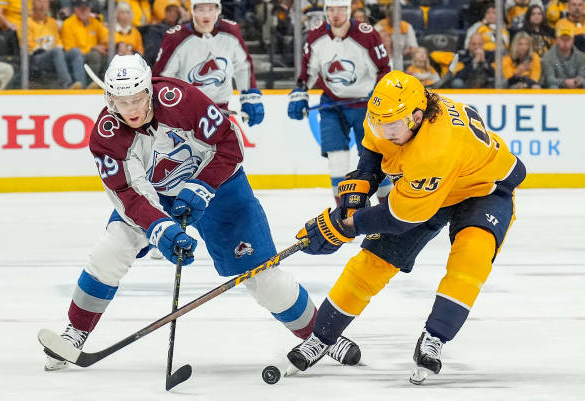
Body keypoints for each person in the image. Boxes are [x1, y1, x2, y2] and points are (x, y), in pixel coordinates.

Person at [43, 54, 361, 371]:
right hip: (156, 196)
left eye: (138, 99)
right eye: (122, 102)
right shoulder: (106, 136)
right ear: (108, 99)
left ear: (148, 91)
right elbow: (129, 194)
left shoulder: (181, 99)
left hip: (221, 186)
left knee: (265, 278)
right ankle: (75, 332)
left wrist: (202, 185)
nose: (132, 110)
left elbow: (229, 145)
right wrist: (161, 229)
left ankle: (322, 338)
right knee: (110, 251)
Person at [285, 70, 526, 384]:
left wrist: (347, 225)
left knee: (471, 259)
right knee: (373, 260)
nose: (383, 130)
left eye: (392, 125)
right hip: (434, 187)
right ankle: (322, 337)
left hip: (483, 189)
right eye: (378, 121)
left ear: (416, 117)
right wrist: (363, 181)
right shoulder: (394, 112)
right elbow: (374, 148)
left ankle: (435, 338)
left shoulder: (434, 149)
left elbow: (398, 219)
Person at [287, 0, 390, 206]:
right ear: (325, 11)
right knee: (337, 160)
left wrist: (380, 96)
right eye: (331, 9)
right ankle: (346, 211)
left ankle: (387, 208)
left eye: (341, 9)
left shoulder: (367, 34)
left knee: (374, 159)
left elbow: (384, 69)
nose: (336, 14)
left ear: (349, 10)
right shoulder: (315, 35)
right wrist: (300, 93)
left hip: (366, 107)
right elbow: (307, 71)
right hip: (332, 105)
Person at [152, 0, 264, 128]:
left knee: (221, 147)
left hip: (221, 110)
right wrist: (163, 104)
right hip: (187, 112)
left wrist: (249, 96)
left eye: (211, 9)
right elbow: (162, 76)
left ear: (218, 10)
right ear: (193, 10)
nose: (206, 15)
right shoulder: (176, 37)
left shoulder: (230, 31)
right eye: (201, 9)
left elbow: (243, 66)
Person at [28, 0, 84, 89]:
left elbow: (58, 42)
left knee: (75, 52)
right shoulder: (27, 22)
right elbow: (28, 44)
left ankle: (81, 85)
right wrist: (50, 50)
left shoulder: (53, 22)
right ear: (32, 4)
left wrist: (56, 50)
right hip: (37, 58)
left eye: (45, 2)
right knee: (57, 51)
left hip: (55, 56)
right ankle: (67, 85)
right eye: (39, 1)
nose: (42, 5)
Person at [60, 0, 108, 88]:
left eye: (85, 8)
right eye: (80, 8)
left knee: (97, 55)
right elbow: (69, 48)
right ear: (75, 9)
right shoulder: (68, 23)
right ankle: (82, 85)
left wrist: (103, 46)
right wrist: (92, 47)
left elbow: (107, 39)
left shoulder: (94, 22)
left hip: (89, 54)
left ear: (90, 9)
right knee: (78, 53)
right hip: (72, 56)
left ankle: (93, 84)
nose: (83, 11)